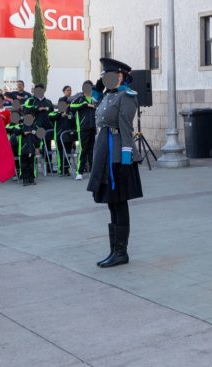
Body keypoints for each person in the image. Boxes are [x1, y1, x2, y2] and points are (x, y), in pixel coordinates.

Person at [88, 58, 143, 268]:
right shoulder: (108, 95)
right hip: (105, 151)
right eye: (104, 76)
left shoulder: (126, 96)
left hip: (118, 154)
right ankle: (114, 250)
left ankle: (121, 252)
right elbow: (96, 104)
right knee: (111, 203)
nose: (105, 79)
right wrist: (97, 86)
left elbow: (127, 129)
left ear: (120, 76)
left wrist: (126, 160)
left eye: (108, 76)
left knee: (119, 203)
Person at [24, 84, 54, 173]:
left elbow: (52, 113)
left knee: (48, 147)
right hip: (35, 128)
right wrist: (37, 108)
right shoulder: (30, 100)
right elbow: (25, 110)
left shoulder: (48, 101)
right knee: (35, 147)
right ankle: (33, 169)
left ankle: (49, 168)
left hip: (47, 128)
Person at [70, 80, 97, 180]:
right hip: (82, 128)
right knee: (83, 149)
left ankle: (92, 170)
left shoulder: (94, 99)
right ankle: (80, 172)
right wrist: (85, 105)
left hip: (93, 127)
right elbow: (72, 106)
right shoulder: (80, 98)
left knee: (91, 149)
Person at [54, 86, 75, 176]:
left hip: (70, 132)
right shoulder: (59, 113)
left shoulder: (72, 111)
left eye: (70, 90)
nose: (69, 92)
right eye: (67, 90)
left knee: (69, 151)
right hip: (60, 133)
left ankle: (66, 168)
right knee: (61, 151)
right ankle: (61, 169)